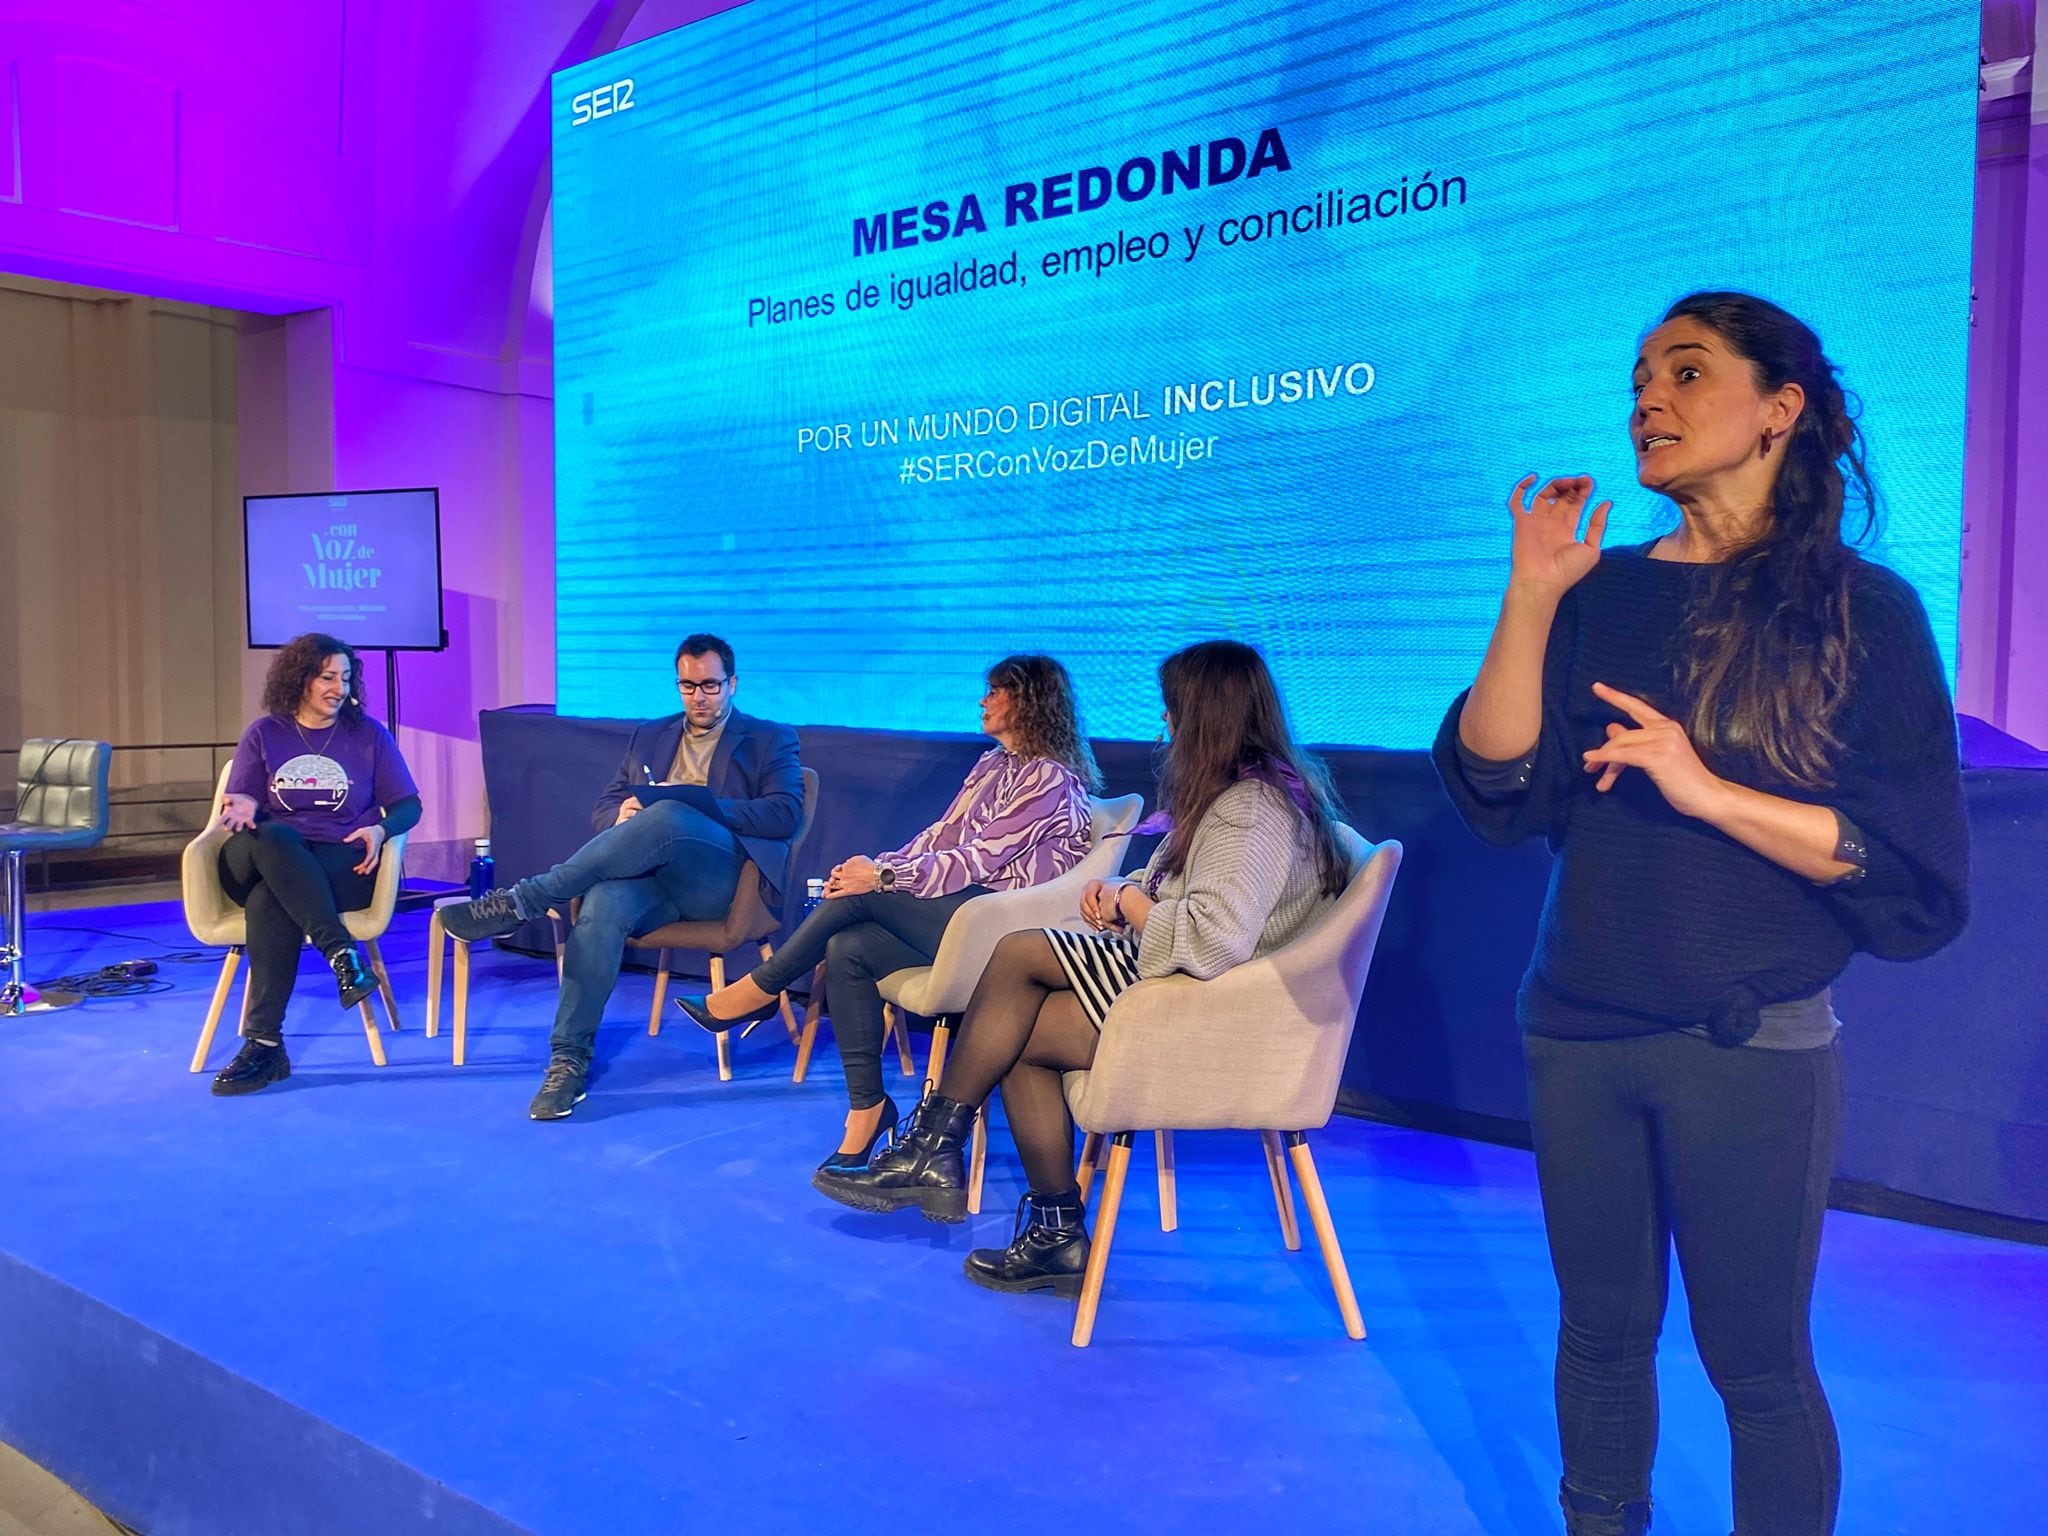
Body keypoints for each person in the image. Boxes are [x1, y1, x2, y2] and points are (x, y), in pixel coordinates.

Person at [1433, 292, 1968, 1536]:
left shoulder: (1861, 612)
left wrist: (1706, 790)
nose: (1646, 401)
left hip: (1745, 1047)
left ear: (1780, 409)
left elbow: (1906, 871)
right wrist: (1530, 594)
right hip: (1575, 1028)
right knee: (1599, 1339)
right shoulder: (1594, 591)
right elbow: (1502, 787)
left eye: (1684, 372)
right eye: (1636, 380)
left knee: (1757, 1364)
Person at [813, 639, 1350, 1297]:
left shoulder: (1252, 810)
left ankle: (938, 1148)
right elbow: (1207, 906)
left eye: (1173, 711)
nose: (1165, 727)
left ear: (1210, 714)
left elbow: (1215, 942)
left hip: (1208, 1012)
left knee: (1019, 955)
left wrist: (1129, 900)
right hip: (1181, 991)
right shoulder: (1247, 796)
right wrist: (1131, 897)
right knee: (1015, 1035)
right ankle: (1049, 1231)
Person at [676, 654, 1100, 1170]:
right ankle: (868, 1110)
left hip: (1005, 933)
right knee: (846, 947)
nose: (983, 701)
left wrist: (878, 879)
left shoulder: (1050, 779)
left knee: (862, 894)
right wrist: (877, 867)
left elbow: (978, 860)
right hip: (961, 915)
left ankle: (764, 987)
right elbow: (937, 839)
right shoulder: (992, 765)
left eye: (996, 691)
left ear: (1029, 701)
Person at [440, 634, 803, 1120]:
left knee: (671, 813)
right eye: (688, 686)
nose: (699, 696)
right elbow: (605, 805)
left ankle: (525, 899)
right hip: (653, 879)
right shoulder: (649, 735)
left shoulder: (768, 739)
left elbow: (785, 814)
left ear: (732, 684)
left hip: (719, 883)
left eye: (711, 686)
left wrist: (699, 808)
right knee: (601, 906)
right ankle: (569, 1060)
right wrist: (622, 815)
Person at [209, 633, 422, 1095]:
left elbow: (408, 805)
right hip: (258, 852)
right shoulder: (265, 733)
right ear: (299, 678)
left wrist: (381, 830)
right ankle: (342, 955)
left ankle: (263, 1045)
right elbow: (242, 794)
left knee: (273, 899)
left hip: (336, 866)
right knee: (276, 835)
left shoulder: (368, 735)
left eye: (345, 678)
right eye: (327, 677)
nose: (338, 688)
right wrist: (243, 805)